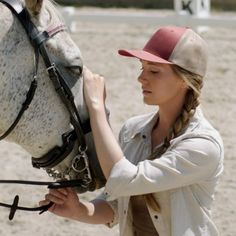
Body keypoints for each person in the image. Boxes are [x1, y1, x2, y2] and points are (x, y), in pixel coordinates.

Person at [39, 26, 224, 236]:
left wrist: (97, 108)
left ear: (185, 80)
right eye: (142, 68)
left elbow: (124, 180)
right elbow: (116, 206)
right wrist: (78, 210)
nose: (141, 78)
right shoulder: (133, 130)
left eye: (154, 71)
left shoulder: (203, 145)